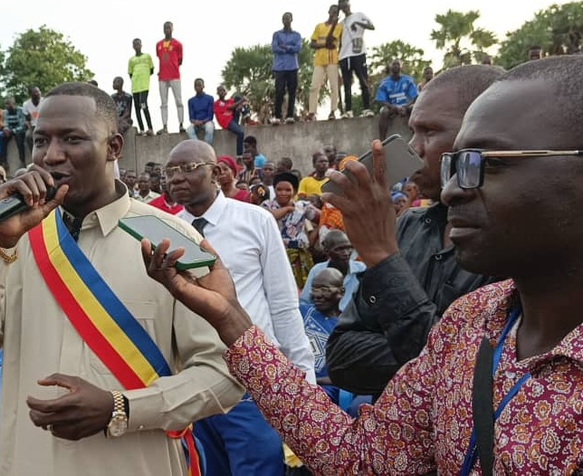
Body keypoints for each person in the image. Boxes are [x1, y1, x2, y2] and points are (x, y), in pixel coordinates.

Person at [143, 54, 583, 475]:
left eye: (484, 163)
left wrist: (383, 262)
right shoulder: (470, 323)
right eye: (454, 163)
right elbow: (359, 455)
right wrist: (231, 318)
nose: (452, 190)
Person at [0, 82, 242, 476]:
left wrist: (123, 408)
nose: (51, 155)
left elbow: (225, 374)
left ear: (113, 147)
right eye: (40, 140)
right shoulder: (14, 240)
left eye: (72, 139)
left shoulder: (171, 241)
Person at [324, 64, 503, 397]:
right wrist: (431, 350)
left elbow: (463, 376)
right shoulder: (408, 225)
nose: (413, 149)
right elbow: (342, 358)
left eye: (429, 132)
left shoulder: (510, 247)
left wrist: (382, 258)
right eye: (412, 132)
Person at [168, 139, 313, 476]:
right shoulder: (166, 227)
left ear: (216, 172)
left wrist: (303, 379)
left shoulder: (255, 220)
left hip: (250, 383)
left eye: (187, 168)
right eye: (170, 171)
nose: (176, 178)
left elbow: (283, 303)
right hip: (194, 384)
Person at [299, 267, 346, 401]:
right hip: (291, 381)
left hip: (324, 388)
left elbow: (344, 376)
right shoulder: (300, 312)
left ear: (341, 292)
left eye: (325, 289)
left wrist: (311, 380)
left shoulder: (347, 326)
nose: (318, 295)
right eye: (314, 289)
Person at [264, 172, 317, 288]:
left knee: (299, 286)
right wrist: (287, 209)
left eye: (288, 190)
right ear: (274, 190)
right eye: (279, 189)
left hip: (298, 256)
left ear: (295, 191)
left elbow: (322, 218)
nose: (283, 193)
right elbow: (270, 216)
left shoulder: (302, 206)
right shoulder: (266, 206)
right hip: (273, 254)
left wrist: (313, 237)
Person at [300, 230, 365, 311]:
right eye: (339, 249)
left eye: (349, 248)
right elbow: (305, 301)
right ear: (326, 251)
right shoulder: (317, 271)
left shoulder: (361, 270)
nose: (346, 253)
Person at [337, 0, 375, 119]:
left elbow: (372, 26)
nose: (345, 8)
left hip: (358, 53)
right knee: (347, 84)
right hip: (344, 55)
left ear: (349, 4)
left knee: (363, 81)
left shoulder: (359, 15)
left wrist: (357, 23)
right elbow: (339, 41)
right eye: (342, 7)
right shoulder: (340, 24)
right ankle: (348, 110)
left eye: (346, 5)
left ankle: (367, 108)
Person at [307, 5, 343, 121]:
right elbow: (312, 44)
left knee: (333, 86)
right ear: (328, 12)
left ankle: (333, 111)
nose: (334, 14)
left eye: (336, 13)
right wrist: (324, 45)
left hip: (332, 60)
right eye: (332, 12)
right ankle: (312, 112)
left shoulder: (338, 27)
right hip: (319, 60)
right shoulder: (319, 26)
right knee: (314, 86)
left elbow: (330, 40)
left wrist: (333, 26)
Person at [271, 12, 303, 125]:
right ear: (282, 20)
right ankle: (277, 116)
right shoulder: (277, 34)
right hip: (279, 67)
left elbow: (297, 48)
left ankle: (290, 115)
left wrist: (285, 47)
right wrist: (290, 48)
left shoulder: (297, 35)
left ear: (291, 19)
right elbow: (274, 48)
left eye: (288, 18)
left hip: (292, 66)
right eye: (284, 18)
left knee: (292, 92)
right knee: (279, 91)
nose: (286, 20)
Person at [376, 59, 419, 140]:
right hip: (391, 107)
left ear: (401, 67)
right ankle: (382, 140)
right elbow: (382, 100)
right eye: (394, 64)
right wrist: (394, 107)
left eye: (398, 64)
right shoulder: (384, 82)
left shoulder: (408, 80)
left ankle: (416, 135)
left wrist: (405, 107)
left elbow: (414, 97)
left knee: (413, 108)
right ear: (390, 67)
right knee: (384, 111)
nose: (396, 66)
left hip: (406, 106)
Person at [156, 21, 185, 135]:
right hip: (162, 77)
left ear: (172, 29)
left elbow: (180, 61)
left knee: (178, 101)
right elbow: (160, 57)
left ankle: (181, 124)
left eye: (169, 28)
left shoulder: (178, 44)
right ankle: (164, 126)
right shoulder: (158, 44)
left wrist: (172, 67)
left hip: (174, 76)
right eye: (165, 28)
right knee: (163, 103)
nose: (167, 30)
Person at [128, 38, 154, 136]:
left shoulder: (147, 56)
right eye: (135, 44)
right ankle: (142, 129)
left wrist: (144, 77)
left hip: (144, 86)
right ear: (133, 46)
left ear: (141, 45)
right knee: (137, 107)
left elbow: (151, 70)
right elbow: (130, 74)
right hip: (135, 87)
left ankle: (150, 128)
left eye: (138, 44)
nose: (137, 46)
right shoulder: (131, 60)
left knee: (143, 105)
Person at [213, 86, 247, 155]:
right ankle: (239, 156)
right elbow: (230, 108)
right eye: (220, 91)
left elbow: (238, 104)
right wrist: (242, 100)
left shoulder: (229, 101)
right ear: (217, 93)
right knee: (240, 133)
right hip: (226, 122)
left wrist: (241, 105)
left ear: (226, 92)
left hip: (233, 119)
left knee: (237, 98)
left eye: (223, 90)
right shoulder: (218, 103)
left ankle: (246, 115)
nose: (222, 92)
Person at [2, 96, 28, 169]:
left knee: (18, 136)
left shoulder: (20, 110)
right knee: (2, 136)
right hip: (10, 130)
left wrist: (12, 131)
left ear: (14, 104)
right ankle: (3, 161)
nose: (6, 106)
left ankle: (22, 160)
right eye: (5, 104)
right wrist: (6, 129)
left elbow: (22, 125)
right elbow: (5, 123)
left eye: (8, 104)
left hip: (19, 130)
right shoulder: (5, 112)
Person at [22, 87, 43, 156]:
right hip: (33, 126)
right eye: (35, 92)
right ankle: (34, 155)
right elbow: (27, 119)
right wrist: (30, 128)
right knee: (28, 136)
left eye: (39, 91)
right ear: (30, 94)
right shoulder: (26, 104)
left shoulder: (45, 101)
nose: (38, 93)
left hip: (44, 124)